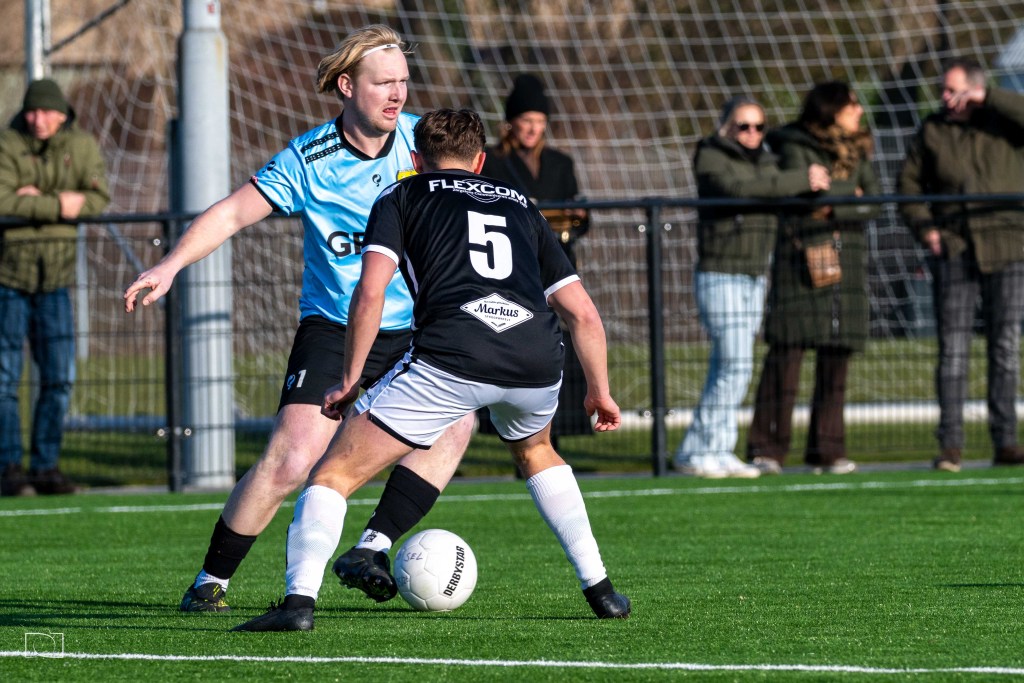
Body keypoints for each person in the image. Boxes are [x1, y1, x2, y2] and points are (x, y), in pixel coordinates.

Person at [231, 108, 630, 632]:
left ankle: (297, 604)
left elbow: (370, 291)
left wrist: (350, 379)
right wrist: (599, 391)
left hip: (453, 354)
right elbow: (583, 314)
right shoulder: (520, 204)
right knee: (538, 452)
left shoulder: (401, 195)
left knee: (333, 474)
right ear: (481, 162)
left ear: (416, 159)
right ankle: (601, 590)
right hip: (535, 359)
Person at [124, 25, 474, 612]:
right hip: (335, 329)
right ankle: (211, 580)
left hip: (417, 332)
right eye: (383, 83)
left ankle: (371, 546)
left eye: (403, 82)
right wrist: (171, 265)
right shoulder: (310, 159)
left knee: (457, 424)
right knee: (291, 460)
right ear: (347, 86)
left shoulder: (423, 147)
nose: (397, 94)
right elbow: (232, 213)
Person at [674, 96, 831, 479]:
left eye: (759, 127)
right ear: (726, 126)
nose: (752, 134)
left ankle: (715, 448)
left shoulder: (767, 160)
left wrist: (819, 182)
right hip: (721, 272)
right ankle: (699, 450)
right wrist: (801, 179)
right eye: (743, 126)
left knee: (734, 367)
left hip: (754, 274)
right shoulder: (711, 156)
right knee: (734, 364)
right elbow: (740, 188)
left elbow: (771, 186)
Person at [746, 81, 880, 475]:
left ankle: (828, 449)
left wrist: (836, 203)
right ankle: (768, 447)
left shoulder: (859, 147)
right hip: (801, 259)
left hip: (847, 260)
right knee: (787, 353)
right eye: (852, 105)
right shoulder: (793, 143)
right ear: (831, 109)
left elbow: (873, 199)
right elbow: (804, 192)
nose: (859, 111)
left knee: (837, 353)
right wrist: (848, 193)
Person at [899, 58, 1024, 473]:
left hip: (1007, 246)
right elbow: (908, 185)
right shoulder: (933, 129)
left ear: (975, 89)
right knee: (953, 350)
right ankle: (950, 444)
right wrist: (927, 229)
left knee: (1004, 347)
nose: (946, 97)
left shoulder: (1003, 121)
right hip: (954, 248)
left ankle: (1006, 441)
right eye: (943, 90)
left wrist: (990, 98)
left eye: (953, 90)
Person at [0, 79, 110, 497]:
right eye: (32, 111)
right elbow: (2, 201)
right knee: (4, 380)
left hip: (56, 281)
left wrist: (32, 199)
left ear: (62, 114)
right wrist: (60, 203)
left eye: (46, 111)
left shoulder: (80, 146)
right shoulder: (8, 144)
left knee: (59, 377)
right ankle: (9, 468)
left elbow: (97, 199)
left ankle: (46, 466)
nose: (38, 119)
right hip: (9, 278)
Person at [480, 74, 592, 445]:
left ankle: (555, 432)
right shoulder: (493, 161)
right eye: (526, 120)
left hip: (555, 267)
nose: (533, 129)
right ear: (511, 122)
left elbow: (578, 216)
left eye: (539, 122)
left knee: (559, 344)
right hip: (511, 270)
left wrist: (576, 218)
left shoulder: (560, 162)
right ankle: (516, 433)